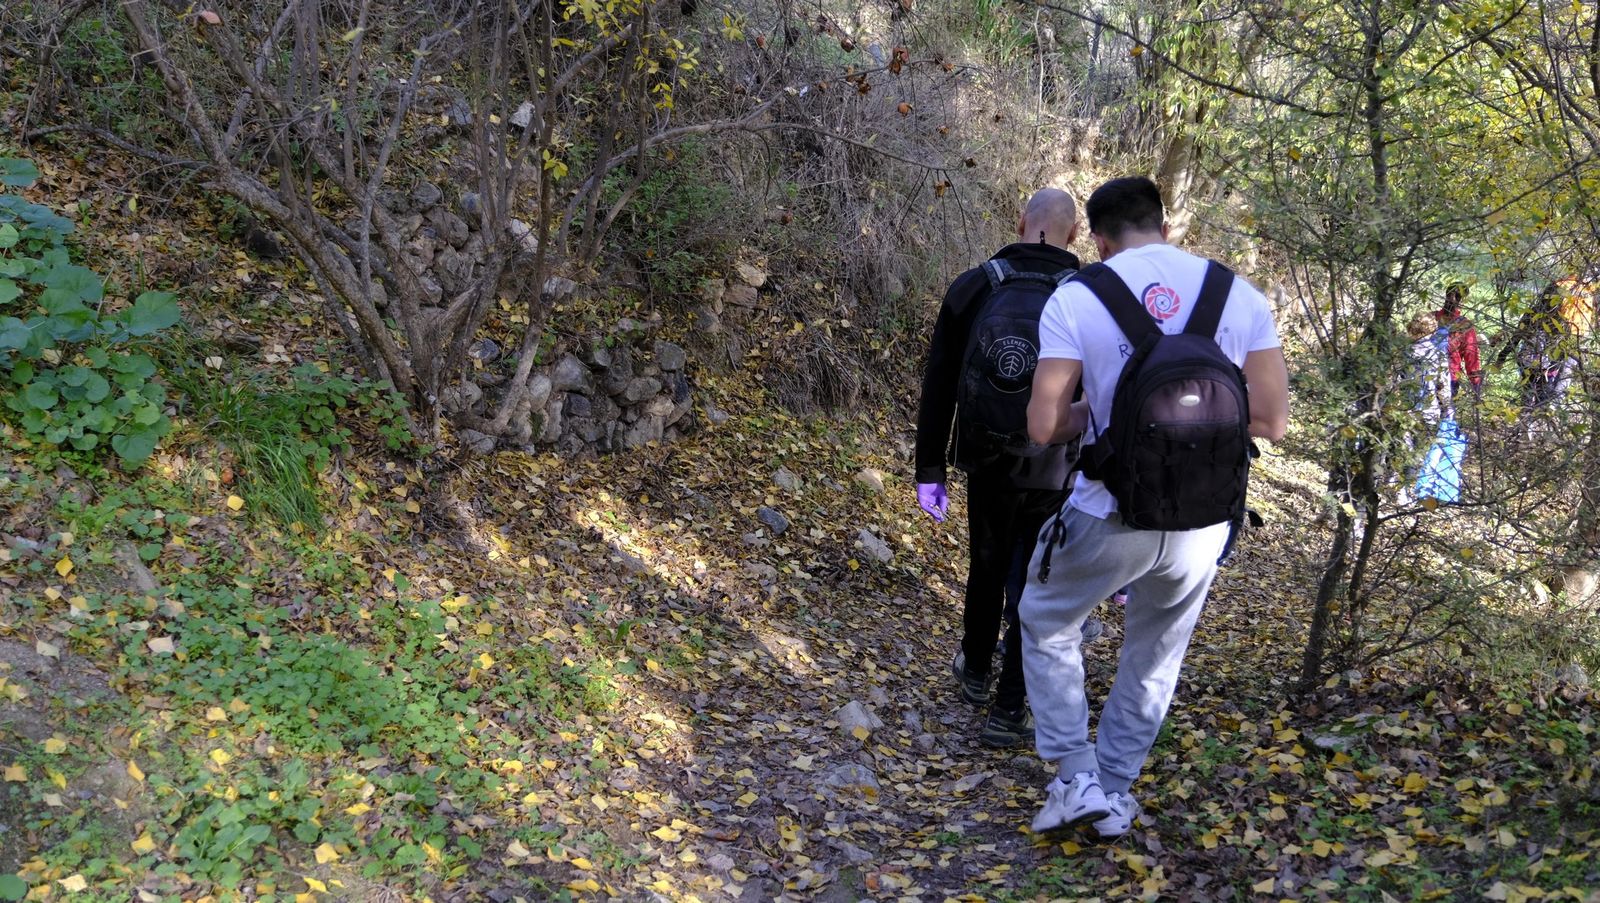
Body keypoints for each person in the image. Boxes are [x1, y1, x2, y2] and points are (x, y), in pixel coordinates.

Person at [1019, 177, 1289, 839]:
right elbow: (1272, 420)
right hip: (1202, 519)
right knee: (1155, 654)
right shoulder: (1237, 294)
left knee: (1046, 619)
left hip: (1110, 510)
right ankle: (1112, 791)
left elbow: (1044, 425)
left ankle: (1077, 775)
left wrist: (1101, 417)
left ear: (1100, 241)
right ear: (1164, 228)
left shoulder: (1077, 295)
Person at [914, 188, 1099, 748]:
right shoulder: (1093, 297)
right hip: (1057, 467)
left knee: (987, 563)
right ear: (1073, 235)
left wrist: (930, 468)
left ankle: (973, 670)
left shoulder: (974, 285)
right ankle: (1009, 707)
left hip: (985, 455)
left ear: (1021, 222)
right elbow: (1109, 394)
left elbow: (940, 382)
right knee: (1037, 581)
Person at [1433, 284, 1482, 396]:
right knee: (1445, 411)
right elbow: (1471, 357)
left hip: (1425, 373)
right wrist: (1476, 385)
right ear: (1463, 301)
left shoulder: (1430, 318)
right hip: (1450, 377)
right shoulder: (1465, 325)